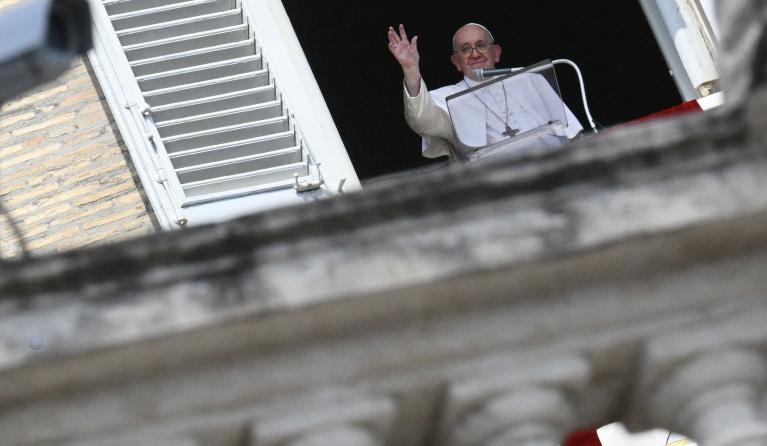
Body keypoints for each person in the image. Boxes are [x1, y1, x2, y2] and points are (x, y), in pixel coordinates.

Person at [387, 23, 583, 159]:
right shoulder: (443, 98)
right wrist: (411, 69)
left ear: (496, 52)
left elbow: (573, 135)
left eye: (480, 45)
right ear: (456, 62)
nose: (474, 54)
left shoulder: (531, 79)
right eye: (465, 49)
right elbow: (421, 120)